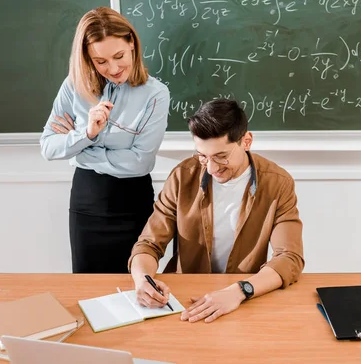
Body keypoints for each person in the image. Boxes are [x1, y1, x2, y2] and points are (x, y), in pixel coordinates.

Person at [128, 99, 304, 323]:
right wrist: (142, 280)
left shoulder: (277, 183)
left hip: (245, 299)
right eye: (203, 156)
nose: (211, 168)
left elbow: (289, 257)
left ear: (246, 141)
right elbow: (149, 244)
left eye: (221, 156)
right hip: (186, 299)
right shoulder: (182, 177)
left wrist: (239, 291)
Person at [40, 7, 170, 274]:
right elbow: (48, 148)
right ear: (87, 58)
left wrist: (79, 150)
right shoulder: (73, 87)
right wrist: (86, 133)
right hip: (87, 203)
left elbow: (139, 162)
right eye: (100, 61)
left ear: (132, 43)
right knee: (87, 289)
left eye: (119, 56)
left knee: (136, 288)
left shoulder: (156, 94)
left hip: (133, 204)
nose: (112, 68)